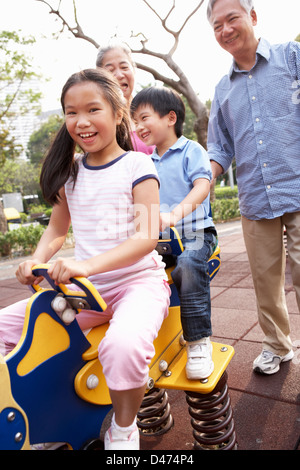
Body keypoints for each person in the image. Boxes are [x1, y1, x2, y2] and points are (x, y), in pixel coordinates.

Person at [0, 68, 170, 450]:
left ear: (117, 112)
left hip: (137, 284)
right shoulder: (70, 173)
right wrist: (36, 259)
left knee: (121, 346)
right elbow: (57, 230)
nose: (81, 121)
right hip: (85, 292)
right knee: (9, 328)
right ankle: (37, 411)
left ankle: (124, 428)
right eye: (70, 112)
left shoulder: (138, 167)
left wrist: (87, 266)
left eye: (93, 109)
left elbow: (146, 237)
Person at [206, 0, 300, 374]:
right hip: (256, 197)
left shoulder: (291, 58)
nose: (225, 29)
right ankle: (277, 345)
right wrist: (204, 178)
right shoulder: (221, 90)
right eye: (217, 25)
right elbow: (219, 146)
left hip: (297, 188)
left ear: (253, 17)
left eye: (233, 19)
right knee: (264, 278)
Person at [130, 86, 218, 380]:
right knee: (130, 269)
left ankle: (198, 342)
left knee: (189, 264)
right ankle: (140, 340)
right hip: (160, 240)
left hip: (195, 232)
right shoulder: (145, 162)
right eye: (135, 121)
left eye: (144, 118)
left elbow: (202, 186)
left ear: (170, 118)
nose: (138, 127)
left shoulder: (192, 150)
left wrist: (173, 215)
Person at [96, 43, 155, 154]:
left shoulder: (154, 111)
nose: (119, 74)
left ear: (133, 70)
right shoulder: (99, 120)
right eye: (110, 70)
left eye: (124, 67)